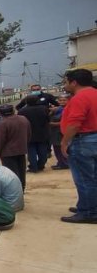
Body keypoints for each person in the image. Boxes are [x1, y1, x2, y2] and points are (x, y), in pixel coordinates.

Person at [60, 68, 97, 223]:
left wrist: (65, 142)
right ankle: (87, 206)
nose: (65, 84)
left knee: (84, 179)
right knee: (92, 177)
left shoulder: (79, 98)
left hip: (83, 141)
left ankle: (88, 212)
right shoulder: (94, 93)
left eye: (66, 82)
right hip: (92, 139)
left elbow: (75, 124)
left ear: (74, 82)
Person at [0, 104, 31, 191]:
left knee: (11, 173)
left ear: (0, 113)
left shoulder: (3, 123)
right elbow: (29, 133)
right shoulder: (23, 119)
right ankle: (22, 189)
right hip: (21, 150)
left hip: (7, 152)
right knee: (21, 171)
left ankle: (15, 191)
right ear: (13, 111)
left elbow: (0, 140)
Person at [17, 94, 51, 173]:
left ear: (26, 102)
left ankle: (33, 167)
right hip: (42, 133)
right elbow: (48, 119)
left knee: (31, 151)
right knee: (43, 150)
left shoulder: (22, 111)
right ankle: (41, 165)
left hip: (28, 133)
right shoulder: (44, 108)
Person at [49, 94, 70, 170]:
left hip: (61, 131)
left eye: (64, 100)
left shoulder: (68, 109)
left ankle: (64, 163)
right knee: (56, 148)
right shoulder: (58, 109)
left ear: (68, 101)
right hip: (55, 132)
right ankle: (60, 162)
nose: (62, 102)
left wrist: (51, 124)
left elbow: (65, 122)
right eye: (60, 100)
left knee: (62, 147)